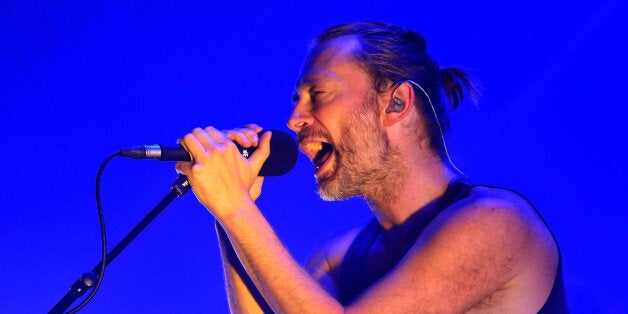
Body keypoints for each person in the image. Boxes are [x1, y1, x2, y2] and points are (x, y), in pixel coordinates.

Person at [175, 21, 568, 313]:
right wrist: (232, 210)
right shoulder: (338, 258)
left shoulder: (497, 223)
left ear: (396, 103)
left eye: (318, 93)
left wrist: (236, 210)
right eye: (297, 99)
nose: (294, 119)